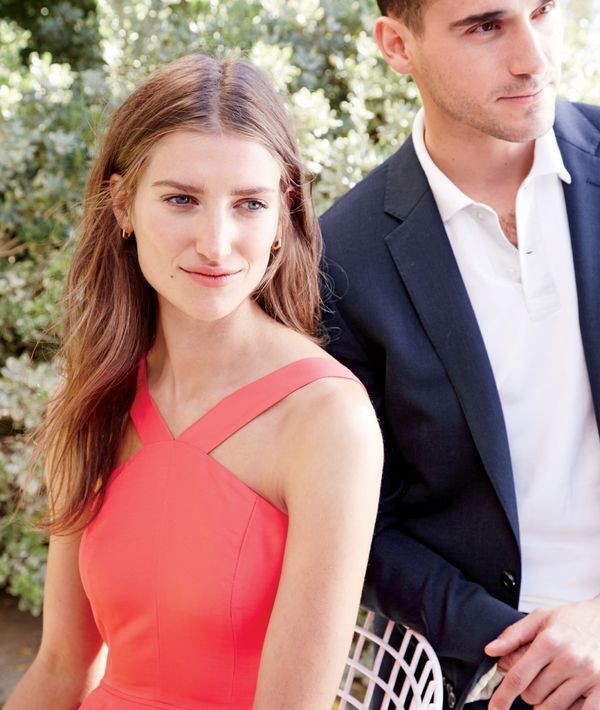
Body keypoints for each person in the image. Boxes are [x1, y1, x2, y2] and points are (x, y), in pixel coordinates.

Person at [5, 54, 383, 710]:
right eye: (181, 199)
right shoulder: (94, 394)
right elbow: (62, 667)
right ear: (122, 204)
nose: (216, 242)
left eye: (249, 204)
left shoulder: (326, 422)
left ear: (283, 216)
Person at [321, 1, 600, 709]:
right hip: (491, 673)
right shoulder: (338, 261)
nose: (532, 57)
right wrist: (528, 655)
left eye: (543, 10)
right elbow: (361, 528)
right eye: (485, 25)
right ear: (397, 45)